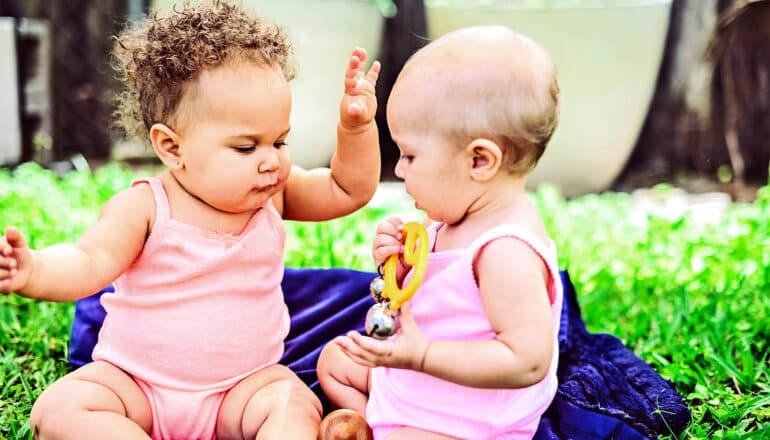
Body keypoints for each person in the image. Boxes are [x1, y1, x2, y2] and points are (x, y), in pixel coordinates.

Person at [0, 2, 381, 439]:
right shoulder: (146, 207)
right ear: (172, 147)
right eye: (245, 147)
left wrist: (355, 131)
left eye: (280, 140)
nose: (271, 161)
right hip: (136, 385)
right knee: (60, 407)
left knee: (293, 402)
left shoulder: (273, 194)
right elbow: (88, 260)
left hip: (241, 389)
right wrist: (34, 270)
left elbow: (347, 189)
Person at [316, 25, 563, 440]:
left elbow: (527, 362)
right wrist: (395, 268)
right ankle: (374, 421)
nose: (398, 170)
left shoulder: (506, 252)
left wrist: (424, 355)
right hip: (419, 377)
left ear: (479, 161)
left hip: (467, 412)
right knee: (335, 360)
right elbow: (434, 294)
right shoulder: (453, 217)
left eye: (410, 155)